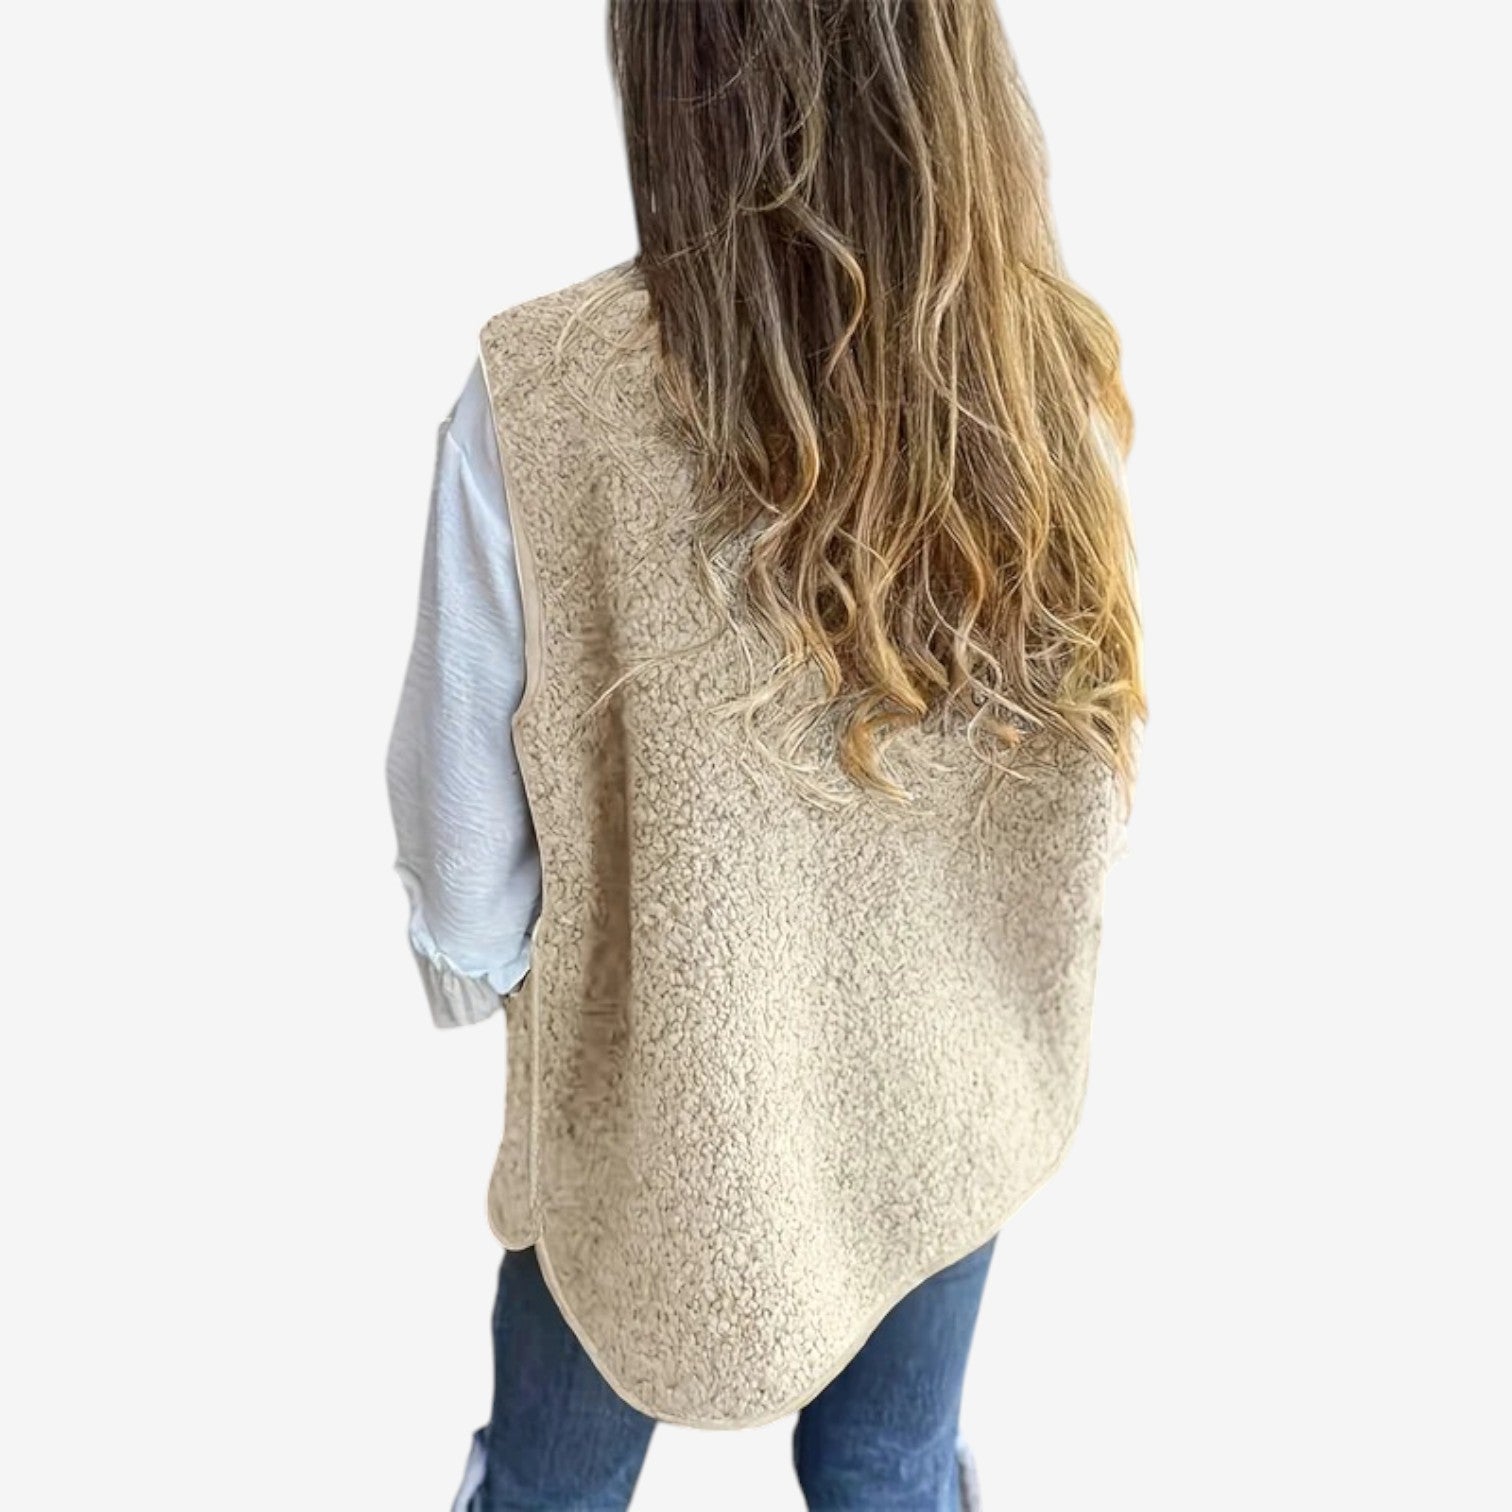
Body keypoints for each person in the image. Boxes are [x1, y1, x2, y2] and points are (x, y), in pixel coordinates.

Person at [387, 2, 1145, 1507]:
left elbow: (461, 821)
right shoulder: (1029, 359)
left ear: (675, 67)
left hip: (659, 1102)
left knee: (550, 1482)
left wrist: (481, 965)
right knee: (890, 1465)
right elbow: (1074, 749)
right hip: (946, 1084)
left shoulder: (542, 398)